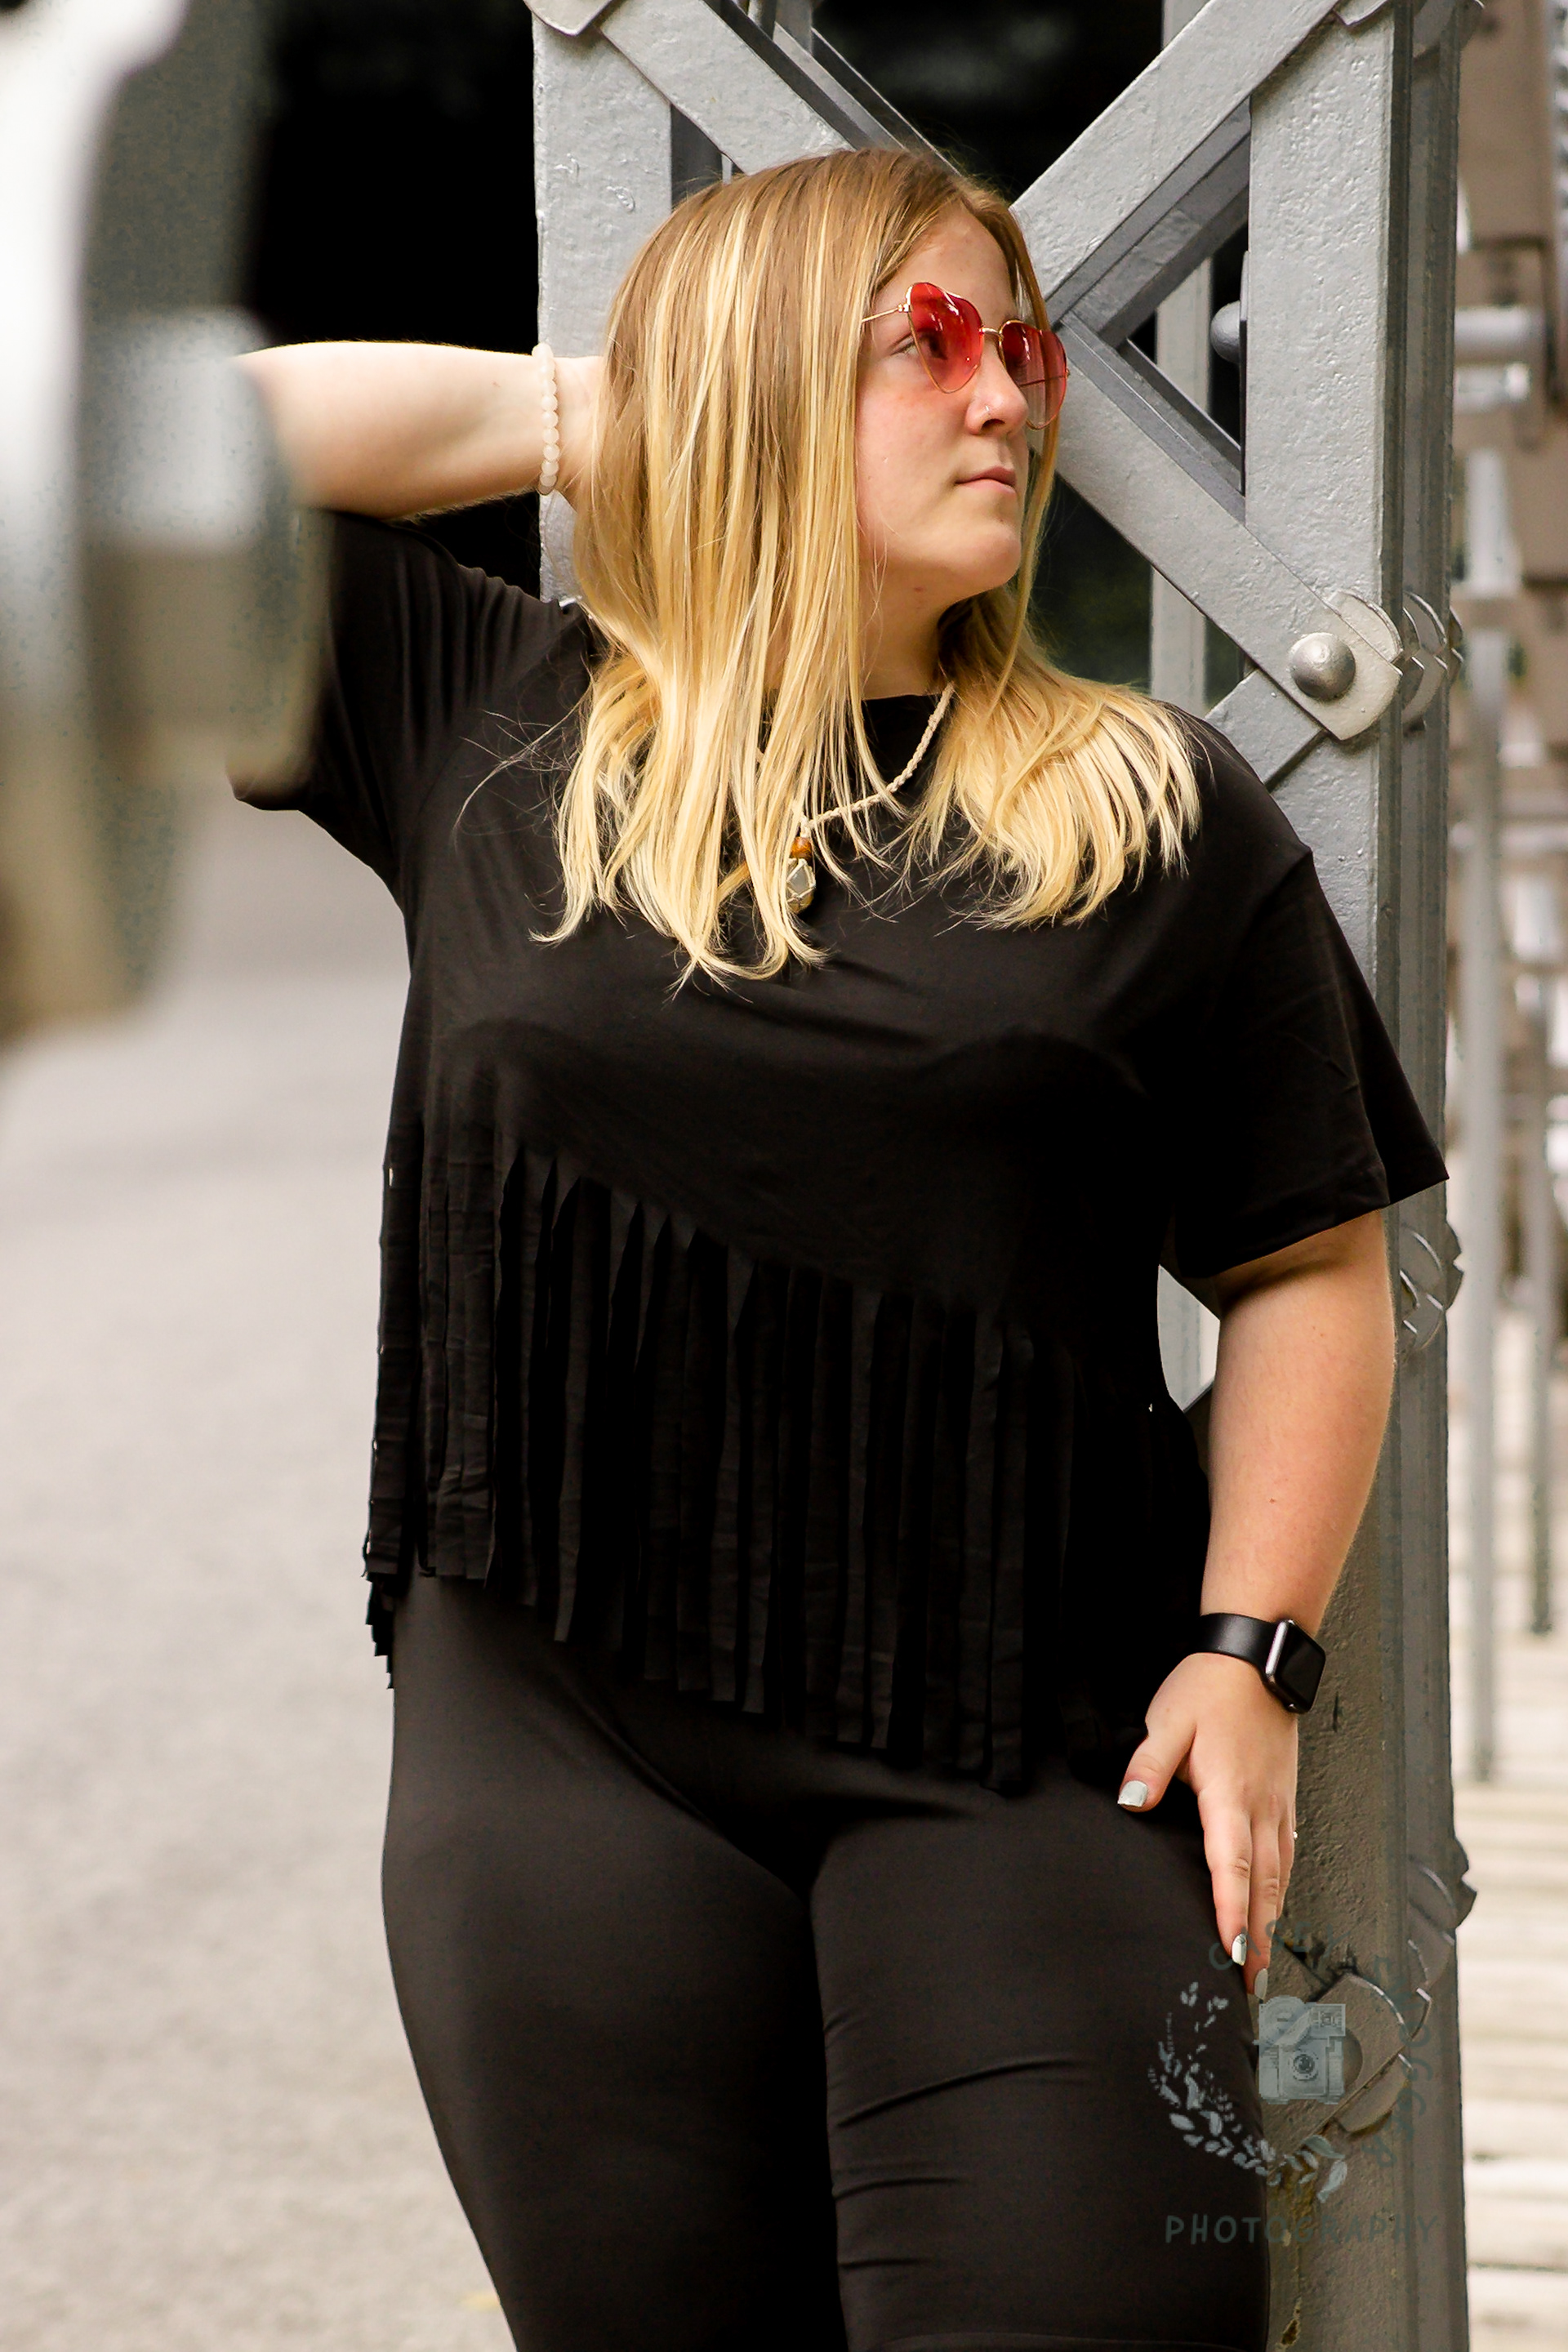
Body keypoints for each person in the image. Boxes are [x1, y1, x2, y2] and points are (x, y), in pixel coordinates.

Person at [237, 148, 1444, 2352]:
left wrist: (1251, 1654)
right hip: (561, 1760)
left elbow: (1306, 1263)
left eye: (1025, 350)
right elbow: (126, 462)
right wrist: (603, 410)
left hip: (1034, 1745)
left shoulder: (1149, 806)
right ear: (764, 381)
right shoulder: (488, 725)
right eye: (931, 342)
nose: (1008, 400)